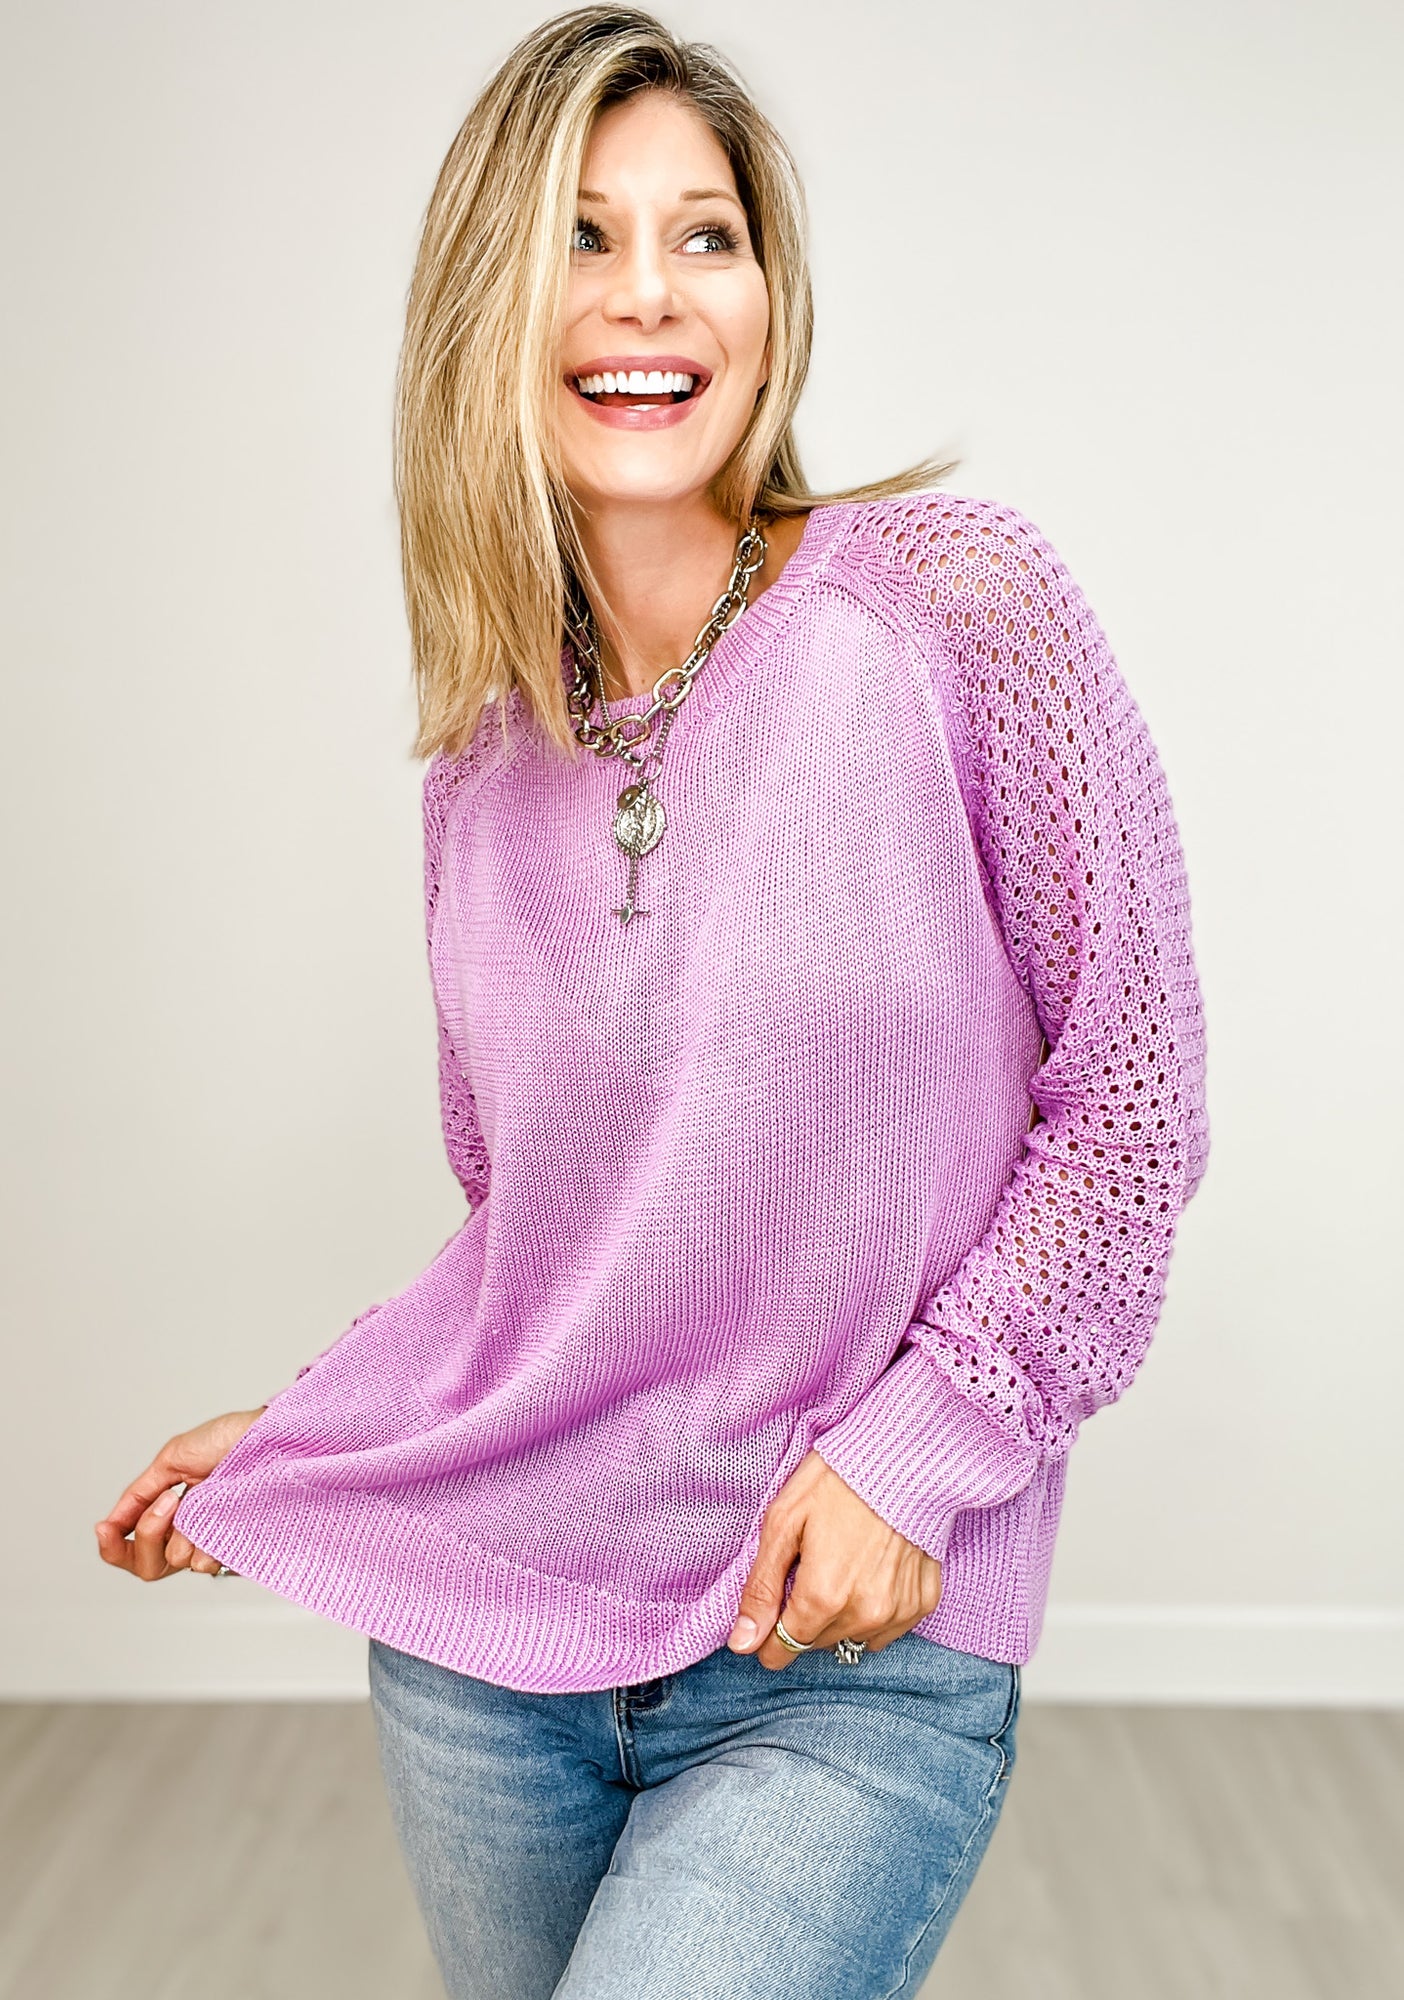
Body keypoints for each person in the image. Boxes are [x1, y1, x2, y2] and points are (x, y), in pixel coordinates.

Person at [94, 8, 1210, 1995]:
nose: (649, 296)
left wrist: (917, 1451)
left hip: (842, 1661)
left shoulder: (955, 609)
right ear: (489, 311)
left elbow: (1130, 1109)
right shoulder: (484, 756)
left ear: (773, 302)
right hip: (492, 1657)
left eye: (707, 236)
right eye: (584, 240)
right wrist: (329, 1432)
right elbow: (547, 1239)